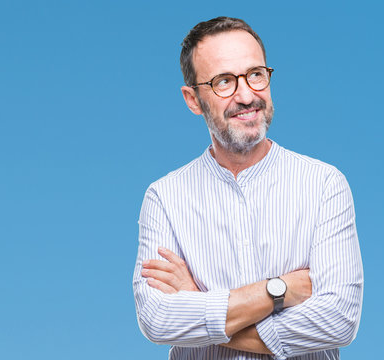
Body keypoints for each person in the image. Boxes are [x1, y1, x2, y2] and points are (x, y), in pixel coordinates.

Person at [132, 17, 363, 360]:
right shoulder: (164, 198)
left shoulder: (324, 185)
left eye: (255, 74)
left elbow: (338, 320)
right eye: (224, 81)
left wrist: (199, 305)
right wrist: (277, 291)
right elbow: (157, 320)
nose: (246, 95)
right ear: (192, 99)